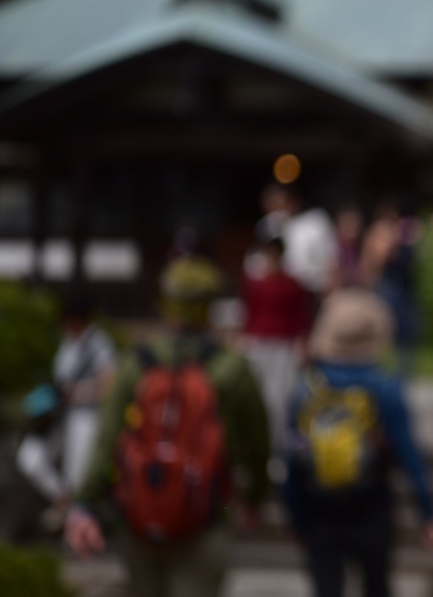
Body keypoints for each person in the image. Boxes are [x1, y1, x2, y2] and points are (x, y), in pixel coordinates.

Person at [64, 255, 270, 597]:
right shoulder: (231, 369)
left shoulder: (135, 364)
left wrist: (85, 503)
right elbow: (258, 442)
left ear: (163, 303)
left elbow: (107, 438)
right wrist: (254, 498)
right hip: (205, 516)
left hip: (138, 513)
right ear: (209, 308)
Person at [283, 288, 433, 597]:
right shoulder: (385, 389)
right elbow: (409, 454)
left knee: (326, 588)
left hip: (319, 513)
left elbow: (292, 457)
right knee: (377, 585)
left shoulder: (307, 388)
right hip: (372, 508)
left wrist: (294, 516)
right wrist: (430, 515)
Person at [15, 289, 117, 518]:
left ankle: (76, 523)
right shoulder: (67, 342)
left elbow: (109, 384)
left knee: (77, 474)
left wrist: (77, 392)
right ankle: (64, 502)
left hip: (86, 416)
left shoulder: (98, 343)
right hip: (60, 415)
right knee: (30, 458)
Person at [242, 236, 312, 477]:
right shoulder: (256, 283)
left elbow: (300, 318)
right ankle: (254, 455)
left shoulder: (292, 284)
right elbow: (249, 314)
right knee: (256, 398)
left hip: (282, 346)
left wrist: (301, 344)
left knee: (279, 401)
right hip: (258, 344)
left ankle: (276, 454)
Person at [360, 203, 420, 375]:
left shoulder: (396, 233)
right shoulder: (382, 231)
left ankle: (397, 371)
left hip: (397, 286)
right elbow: (377, 260)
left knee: (401, 333)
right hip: (388, 285)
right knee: (388, 331)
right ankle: (386, 372)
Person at [252, 183, 339, 298]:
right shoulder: (267, 226)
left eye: (277, 200)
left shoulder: (315, 222)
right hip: (282, 291)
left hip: (312, 289)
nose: (275, 206)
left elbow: (330, 254)